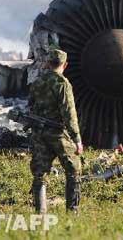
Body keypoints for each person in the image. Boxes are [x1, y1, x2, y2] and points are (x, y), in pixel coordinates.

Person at [28, 48, 83, 213]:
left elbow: (30, 106)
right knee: (74, 169)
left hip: (39, 133)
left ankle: (40, 213)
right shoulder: (62, 84)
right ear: (65, 65)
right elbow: (69, 114)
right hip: (57, 134)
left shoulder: (37, 82)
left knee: (40, 174)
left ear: (47, 63)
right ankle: (72, 211)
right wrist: (77, 140)